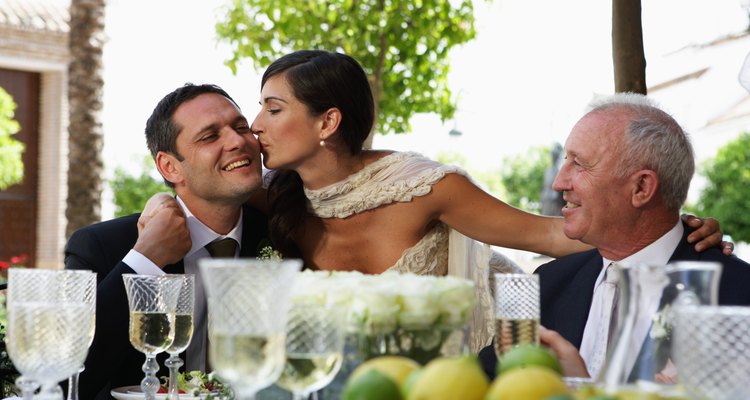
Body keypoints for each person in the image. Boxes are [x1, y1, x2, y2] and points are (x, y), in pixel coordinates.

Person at [145, 50, 726, 353]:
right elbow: (200, 191)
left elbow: (555, 234)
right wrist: (153, 213)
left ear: (327, 121)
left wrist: (674, 229)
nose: (253, 129)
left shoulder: (425, 185)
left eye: (272, 109)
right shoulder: (274, 202)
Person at [478, 92, 750, 380]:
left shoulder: (738, 295)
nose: (559, 183)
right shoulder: (548, 284)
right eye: (565, 160)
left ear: (642, 188)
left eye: (579, 164)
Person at [64, 83, 269, 399]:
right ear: (170, 167)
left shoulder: (284, 236)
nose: (238, 140)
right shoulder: (102, 246)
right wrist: (144, 259)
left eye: (241, 127)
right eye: (210, 136)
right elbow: (66, 380)